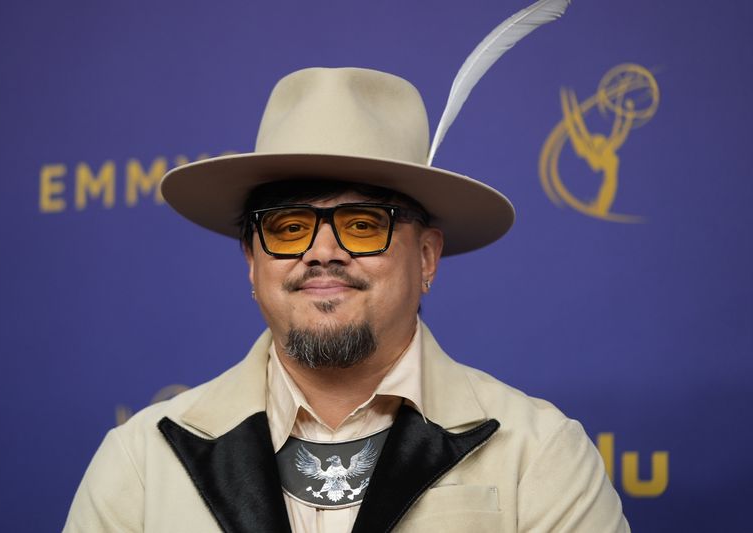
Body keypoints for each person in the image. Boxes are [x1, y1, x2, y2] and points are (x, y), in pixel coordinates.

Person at [64, 67, 629, 532]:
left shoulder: (540, 455)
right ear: (251, 262)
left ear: (427, 257)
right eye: (288, 228)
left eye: (362, 224)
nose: (322, 251)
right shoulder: (141, 461)